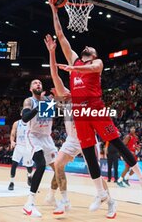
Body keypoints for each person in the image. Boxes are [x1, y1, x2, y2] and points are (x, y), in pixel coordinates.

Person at [49, 0, 142, 211]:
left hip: (95, 108)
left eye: (91, 48)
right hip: (79, 113)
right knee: (88, 154)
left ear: (94, 55)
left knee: (116, 143)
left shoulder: (96, 63)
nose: (86, 47)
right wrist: (54, 10)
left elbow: (94, 69)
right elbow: (60, 36)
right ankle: (100, 193)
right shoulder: (75, 60)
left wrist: (74, 70)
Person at [44, 34, 116, 218]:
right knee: (58, 165)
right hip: (72, 140)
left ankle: (110, 201)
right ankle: (64, 200)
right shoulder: (65, 95)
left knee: (96, 173)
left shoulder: (80, 92)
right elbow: (54, 74)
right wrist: (52, 53)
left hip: (88, 139)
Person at [21, 79, 58, 217]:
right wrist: (40, 106)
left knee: (59, 169)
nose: (38, 84)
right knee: (41, 165)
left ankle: (52, 197)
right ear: (31, 89)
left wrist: (56, 97)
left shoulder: (48, 100)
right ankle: (29, 204)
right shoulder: (29, 101)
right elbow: (25, 118)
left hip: (47, 138)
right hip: (33, 136)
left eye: (40, 83)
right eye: (35, 83)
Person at [8, 116, 33, 191]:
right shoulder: (16, 123)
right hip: (18, 146)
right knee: (14, 165)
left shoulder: (31, 123)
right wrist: (12, 141)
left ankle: (29, 176)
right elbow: (12, 134)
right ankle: (11, 182)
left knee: (29, 168)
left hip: (28, 147)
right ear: (21, 114)